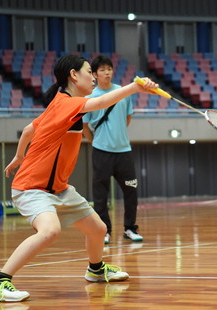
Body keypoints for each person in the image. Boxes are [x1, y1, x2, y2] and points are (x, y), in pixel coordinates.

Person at [0, 54, 157, 302]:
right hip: (33, 188)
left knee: (98, 229)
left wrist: (19, 156)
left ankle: (96, 269)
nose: (94, 76)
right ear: (74, 75)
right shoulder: (66, 103)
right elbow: (101, 103)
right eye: (89, 71)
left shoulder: (60, 104)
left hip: (59, 189)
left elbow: (29, 130)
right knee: (50, 231)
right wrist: (134, 87)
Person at [82, 55, 142, 244]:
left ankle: (130, 229)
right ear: (95, 74)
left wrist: (118, 136)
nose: (107, 72)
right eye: (102, 70)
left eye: (109, 69)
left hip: (124, 151)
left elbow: (127, 119)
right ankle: (105, 231)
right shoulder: (89, 97)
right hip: (101, 152)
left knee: (131, 192)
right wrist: (96, 142)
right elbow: (85, 126)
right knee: (101, 195)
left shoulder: (123, 93)